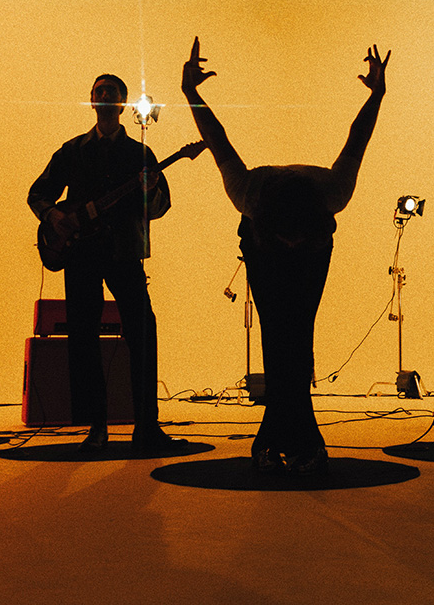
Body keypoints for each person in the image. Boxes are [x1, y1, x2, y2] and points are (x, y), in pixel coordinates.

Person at [181, 37, 387, 475]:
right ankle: (290, 435)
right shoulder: (247, 193)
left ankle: (287, 435)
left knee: (297, 332)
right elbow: (216, 139)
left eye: (298, 241)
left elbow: (358, 139)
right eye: (287, 241)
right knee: (277, 331)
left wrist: (377, 96)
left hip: (312, 246)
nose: (292, 246)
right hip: (264, 249)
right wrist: (190, 93)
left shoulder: (332, 192)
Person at [28, 74, 184, 452]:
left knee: (142, 333)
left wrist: (150, 191)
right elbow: (38, 193)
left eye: (111, 92)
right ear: (92, 100)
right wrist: (54, 217)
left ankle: (146, 426)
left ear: (123, 103)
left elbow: (159, 207)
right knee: (83, 338)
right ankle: (95, 427)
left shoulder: (140, 154)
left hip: (124, 252)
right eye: (99, 92)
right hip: (80, 254)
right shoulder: (72, 150)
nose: (104, 96)